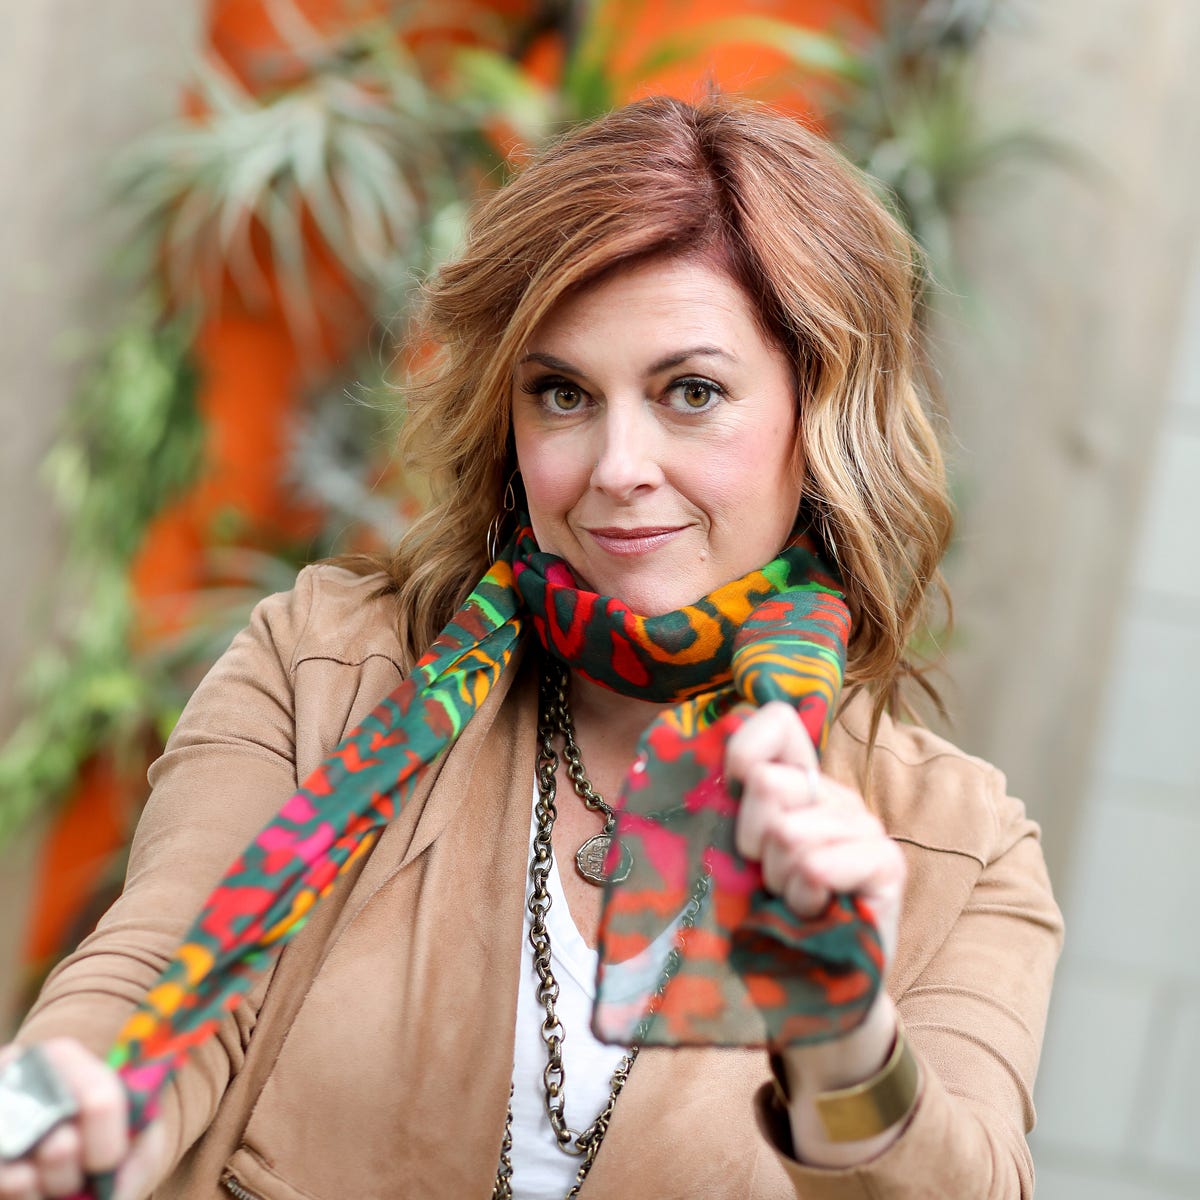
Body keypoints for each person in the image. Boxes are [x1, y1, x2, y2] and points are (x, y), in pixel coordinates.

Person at [1, 95, 1061, 1200]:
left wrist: (845, 1044)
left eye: (691, 393)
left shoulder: (961, 849)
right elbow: (155, 980)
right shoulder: (326, 668)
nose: (617, 467)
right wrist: (58, 1106)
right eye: (562, 394)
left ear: (824, 412)